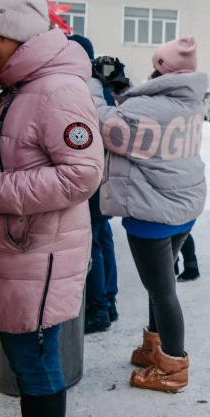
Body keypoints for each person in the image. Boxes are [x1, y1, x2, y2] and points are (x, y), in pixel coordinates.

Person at [0, 0, 104, 417]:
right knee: (29, 365)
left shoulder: (56, 91)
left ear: (16, 38)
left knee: (36, 369)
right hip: (16, 259)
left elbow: (82, 175)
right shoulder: (19, 89)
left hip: (35, 261)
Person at [90, 36, 207, 393]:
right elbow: (144, 113)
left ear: (160, 69)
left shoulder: (149, 110)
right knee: (162, 286)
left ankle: (173, 367)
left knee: (162, 291)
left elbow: (105, 122)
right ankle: (153, 347)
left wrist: (95, 83)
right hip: (183, 207)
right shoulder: (189, 99)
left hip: (152, 212)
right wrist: (123, 87)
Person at [68, 34, 120, 335]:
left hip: (93, 173)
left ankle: (99, 307)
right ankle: (108, 302)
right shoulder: (100, 84)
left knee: (95, 243)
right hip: (104, 173)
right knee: (103, 237)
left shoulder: (85, 86)